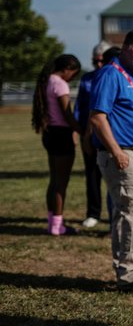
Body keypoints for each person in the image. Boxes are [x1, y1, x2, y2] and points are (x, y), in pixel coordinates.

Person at [89, 29, 133, 292]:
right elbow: (97, 117)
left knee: (125, 212)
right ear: (126, 47)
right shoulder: (110, 73)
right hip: (122, 154)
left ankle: (126, 269)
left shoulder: (129, 76)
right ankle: (130, 274)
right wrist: (117, 151)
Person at [31, 54, 82, 235]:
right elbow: (67, 114)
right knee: (62, 182)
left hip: (50, 133)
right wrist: (82, 130)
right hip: (62, 135)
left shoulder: (47, 81)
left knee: (54, 181)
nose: (72, 78)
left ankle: (52, 221)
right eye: (73, 74)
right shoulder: (60, 84)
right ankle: (57, 226)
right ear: (67, 69)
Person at [75, 41, 111, 229]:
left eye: (101, 60)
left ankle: (114, 215)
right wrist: (81, 134)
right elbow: (80, 107)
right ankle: (93, 212)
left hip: (110, 136)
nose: (98, 64)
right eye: (95, 60)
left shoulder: (115, 77)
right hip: (90, 134)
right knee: (92, 174)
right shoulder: (87, 79)